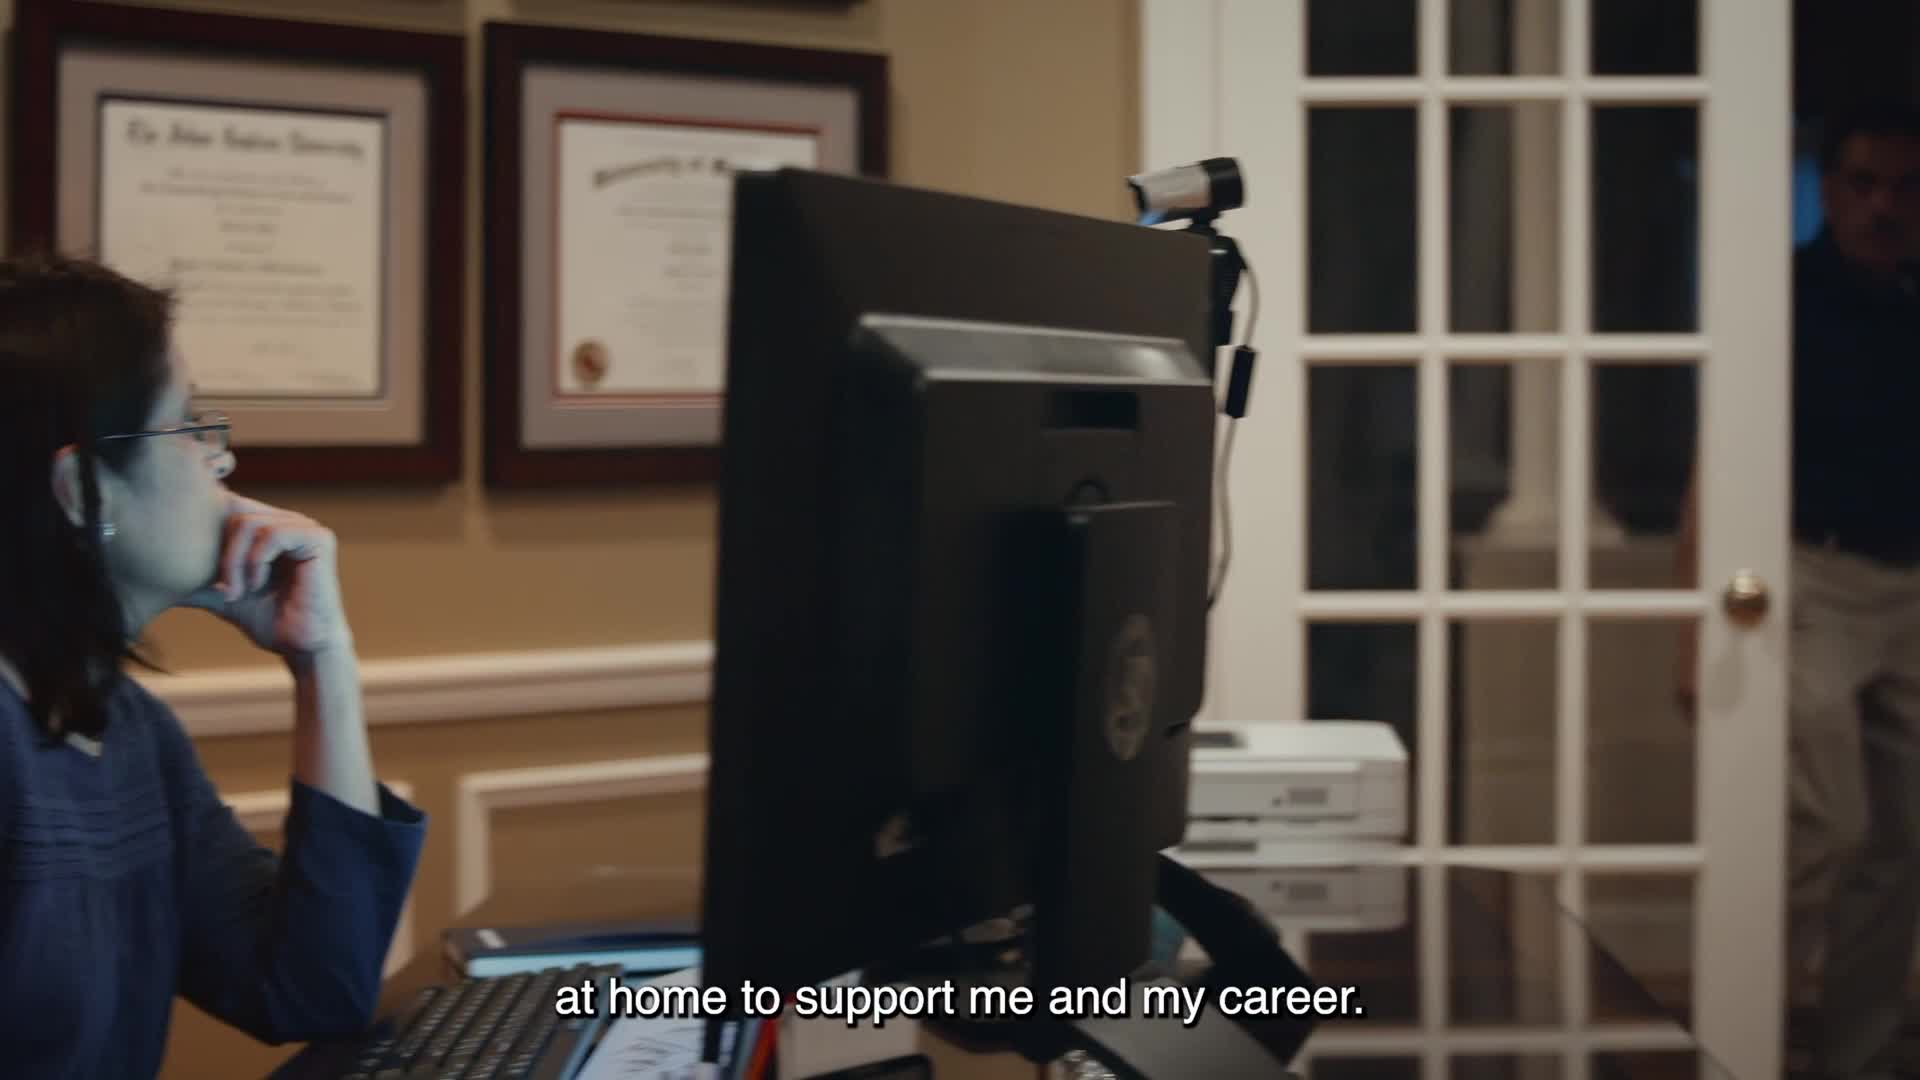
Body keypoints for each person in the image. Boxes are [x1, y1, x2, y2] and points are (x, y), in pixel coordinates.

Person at [0, 254, 426, 1077]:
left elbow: (312, 992)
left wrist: (323, 660)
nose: (220, 459)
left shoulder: (127, 728)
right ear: (82, 489)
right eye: (188, 426)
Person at [1678, 101, 1920, 1079]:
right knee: (1824, 829)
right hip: (1807, 579)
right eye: (1863, 184)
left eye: (1905, 187)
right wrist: (1691, 635)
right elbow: (1717, 461)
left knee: (1904, 840)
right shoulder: (1782, 298)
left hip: (1912, 584)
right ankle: (1746, 1039)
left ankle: (1859, 1057)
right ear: (1828, 189)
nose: (1883, 207)